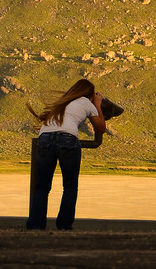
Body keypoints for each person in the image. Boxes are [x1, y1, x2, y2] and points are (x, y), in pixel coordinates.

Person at [26, 78, 106, 230]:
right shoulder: (86, 103)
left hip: (44, 139)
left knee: (41, 187)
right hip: (67, 139)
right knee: (69, 186)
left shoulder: (62, 103)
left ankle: (36, 226)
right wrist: (97, 104)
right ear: (90, 95)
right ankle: (64, 226)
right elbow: (101, 128)